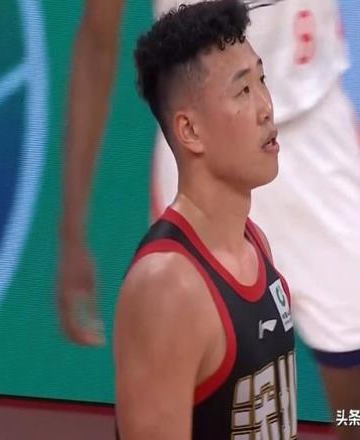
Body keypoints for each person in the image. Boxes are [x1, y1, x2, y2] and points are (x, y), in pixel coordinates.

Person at [58, 0, 360, 437]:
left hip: (316, 134)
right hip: (204, 147)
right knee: (199, 386)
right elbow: (98, 39)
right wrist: (72, 229)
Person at [114, 2, 296, 438]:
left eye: (262, 80)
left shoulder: (255, 244)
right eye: (242, 91)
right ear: (190, 131)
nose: (266, 108)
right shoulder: (167, 288)